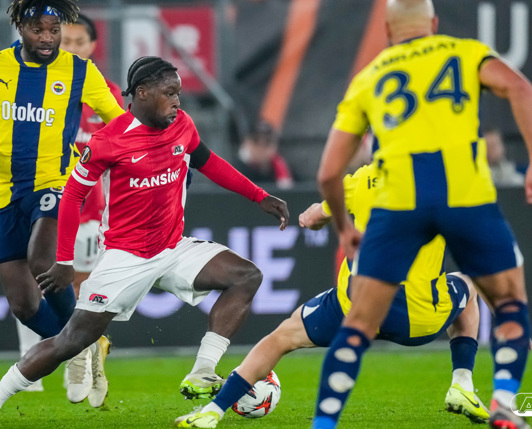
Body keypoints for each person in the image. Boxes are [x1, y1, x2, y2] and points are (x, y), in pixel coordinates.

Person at [0, 56, 289, 424]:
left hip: (172, 247)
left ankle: (202, 371)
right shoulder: (108, 141)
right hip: (124, 257)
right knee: (71, 341)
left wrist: (259, 195)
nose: (177, 101)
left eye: (178, 93)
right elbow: (72, 196)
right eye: (169, 93)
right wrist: (64, 261)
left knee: (246, 276)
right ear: (142, 93)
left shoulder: (182, 125)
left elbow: (210, 163)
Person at [315, 0, 532, 429]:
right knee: (509, 301)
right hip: (466, 197)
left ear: (387, 31)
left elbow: (328, 173)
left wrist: (343, 228)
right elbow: (519, 87)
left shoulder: (369, 77)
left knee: (357, 324)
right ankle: (503, 401)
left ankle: (324, 424)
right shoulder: (465, 52)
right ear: (433, 24)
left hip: (399, 206)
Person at [175, 164, 488, 428]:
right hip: (419, 318)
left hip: (356, 308)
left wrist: (310, 217)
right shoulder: (446, 182)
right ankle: (462, 384)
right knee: (468, 286)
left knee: (281, 338)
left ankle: (212, 412)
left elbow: (313, 218)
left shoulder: (364, 179)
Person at [0, 0, 125, 409]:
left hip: (57, 183)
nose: (47, 37)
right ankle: (84, 344)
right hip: (6, 193)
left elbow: (120, 122)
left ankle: (80, 343)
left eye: (54, 30)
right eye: (38, 29)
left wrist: (158, 154)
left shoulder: (80, 71)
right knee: (23, 305)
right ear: (20, 27)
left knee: (43, 261)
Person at [13, 12, 126, 397]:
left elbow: (120, 149)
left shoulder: (106, 92)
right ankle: (31, 359)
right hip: (38, 199)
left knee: (79, 285)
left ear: (93, 45)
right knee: (31, 276)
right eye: (69, 40)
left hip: (89, 209)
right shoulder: (36, 83)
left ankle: (78, 357)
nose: (74, 48)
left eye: (81, 41)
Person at [233, 122, 294, 189]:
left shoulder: (283, 168)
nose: (261, 148)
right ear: (247, 143)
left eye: (267, 142)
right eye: (256, 141)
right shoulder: (236, 170)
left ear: (275, 145)